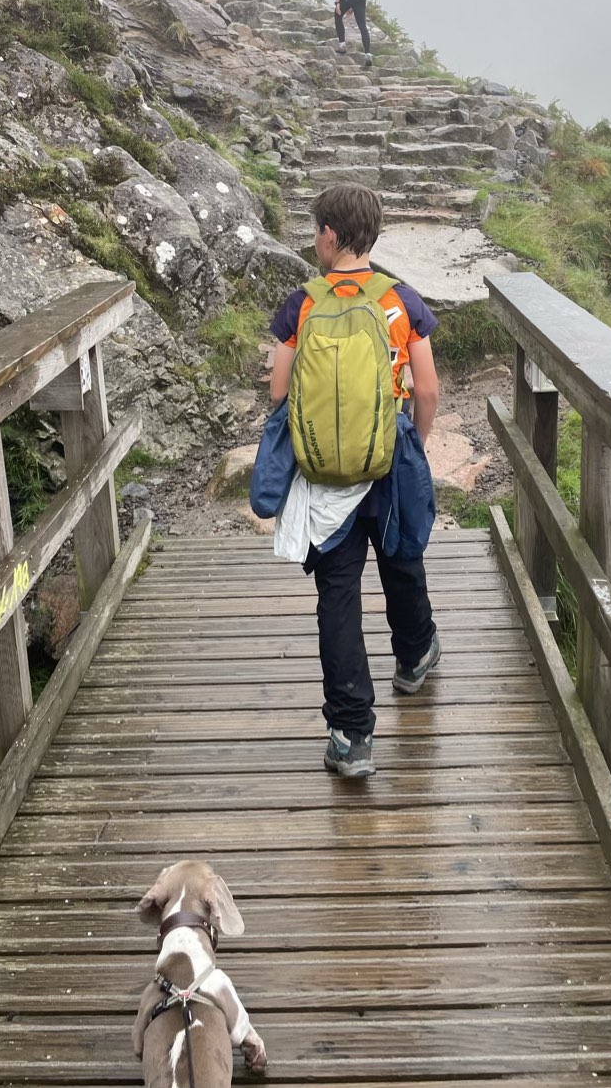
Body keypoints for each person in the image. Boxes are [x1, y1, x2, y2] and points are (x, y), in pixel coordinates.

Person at [269, 184, 441, 778]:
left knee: (337, 594)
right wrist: (411, 440)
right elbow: (427, 389)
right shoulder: (400, 301)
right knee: (401, 557)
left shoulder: (303, 304)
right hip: (388, 457)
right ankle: (414, 657)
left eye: (317, 229)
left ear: (332, 236)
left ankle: (351, 735)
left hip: (325, 474)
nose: (314, 238)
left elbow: (278, 391)